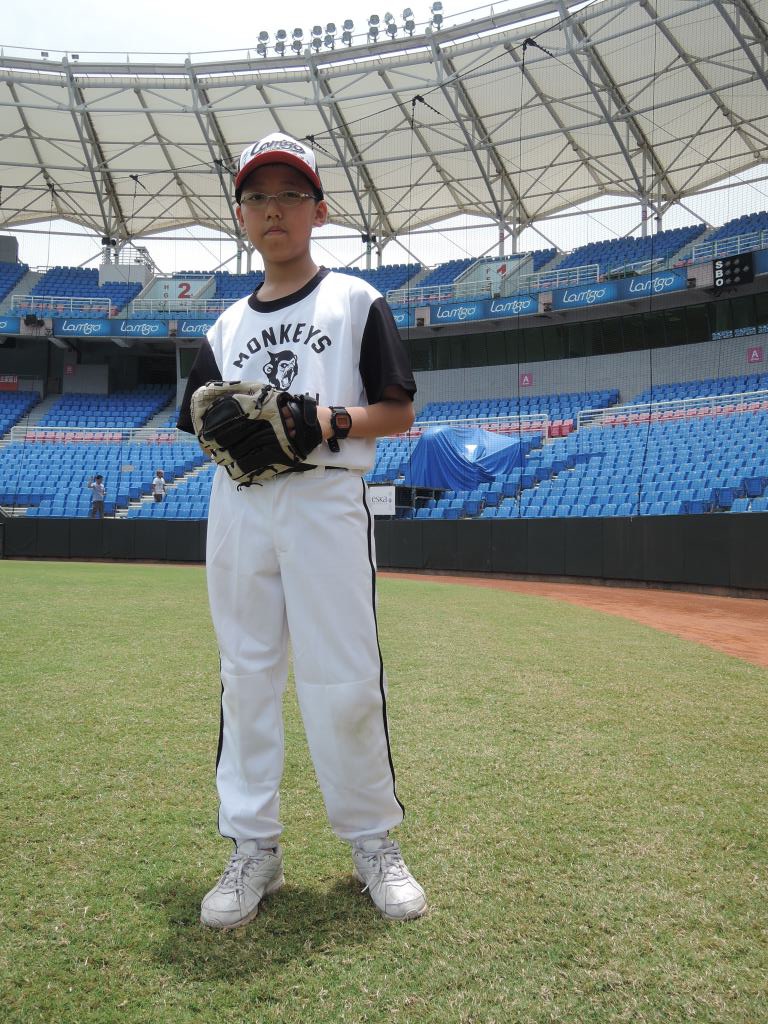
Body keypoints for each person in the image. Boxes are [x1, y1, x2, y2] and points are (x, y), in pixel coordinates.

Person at [177, 132, 426, 929]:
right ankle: (254, 848)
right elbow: (201, 423)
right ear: (241, 216)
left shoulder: (354, 300)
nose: (273, 209)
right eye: (257, 196)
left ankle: (372, 842)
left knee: (343, 677)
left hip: (325, 496)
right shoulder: (223, 328)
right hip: (241, 504)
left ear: (319, 210)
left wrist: (325, 420)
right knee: (245, 675)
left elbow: (399, 410)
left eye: (290, 194)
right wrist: (231, 435)